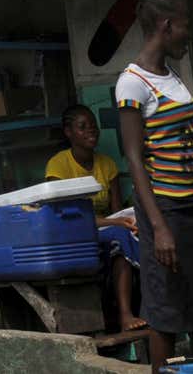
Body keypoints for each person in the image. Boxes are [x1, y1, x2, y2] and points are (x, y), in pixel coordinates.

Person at [115, 0, 193, 373]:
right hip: (167, 212)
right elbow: (133, 157)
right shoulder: (132, 84)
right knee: (167, 310)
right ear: (165, 27)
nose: (188, 37)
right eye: (185, 29)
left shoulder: (173, 75)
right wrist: (159, 228)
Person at [46, 104, 144, 332]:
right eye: (83, 127)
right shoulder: (58, 165)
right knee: (120, 235)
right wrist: (117, 223)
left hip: (108, 229)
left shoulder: (107, 164)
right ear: (68, 132)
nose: (91, 130)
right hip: (73, 233)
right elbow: (66, 217)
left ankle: (138, 310)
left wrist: (129, 222)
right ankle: (125, 314)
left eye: (93, 126)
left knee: (132, 236)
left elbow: (117, 211)